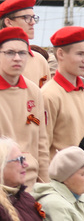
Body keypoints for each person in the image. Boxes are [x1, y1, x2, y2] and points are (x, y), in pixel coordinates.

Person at [0, 27, 49, 189]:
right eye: (10, 53)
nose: (17, 58)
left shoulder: (33, 90)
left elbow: (42, 141)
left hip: (30, 183)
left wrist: (45, 184)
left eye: (22, 53)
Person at [41, 26, 84, 160]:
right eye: (80, 54)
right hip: (60, 172)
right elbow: (42, 147)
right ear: (60, 54)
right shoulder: (48, 95)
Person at [0, 0, 50, 87]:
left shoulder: (39, 60)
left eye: (33, 17)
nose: (33, 22)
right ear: (8, 22)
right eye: (26, 17)